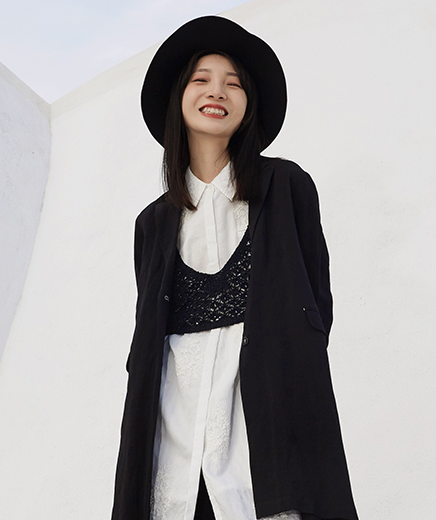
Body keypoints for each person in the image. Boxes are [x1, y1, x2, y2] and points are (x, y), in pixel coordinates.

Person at [112, 16, 358, 520]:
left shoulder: (286, 188)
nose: (217, 91)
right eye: (201, 79)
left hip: (264, 457)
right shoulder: (152, 225)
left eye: (234, 83)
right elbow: (149, 346)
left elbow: (315, 313)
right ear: (179, 99)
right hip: (174, 460)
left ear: (248, 108)